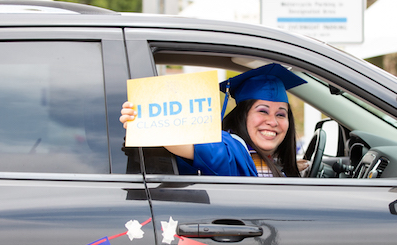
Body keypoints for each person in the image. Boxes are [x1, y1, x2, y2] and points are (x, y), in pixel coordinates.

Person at [120, 63, 308, 177]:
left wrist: (284, 166)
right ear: (243, 115)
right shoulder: (228, 149)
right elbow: (180, 142)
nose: (273, 122)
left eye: (281, 114)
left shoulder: (258, 157)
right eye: (263, 111)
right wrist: (141, 120)